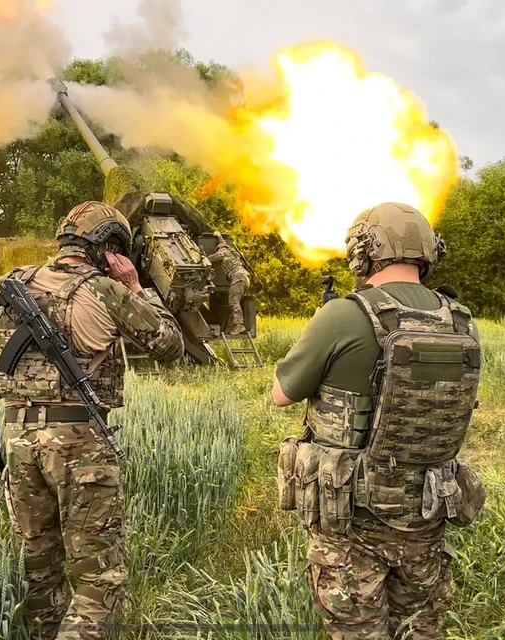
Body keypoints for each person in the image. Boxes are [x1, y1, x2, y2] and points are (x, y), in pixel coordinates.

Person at [271, 203, 486, 639]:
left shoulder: (342, 315)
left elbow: (281, 394)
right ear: (427, 253)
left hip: (352, 515)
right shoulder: (461, 321)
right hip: (428, 508)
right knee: (420, 627)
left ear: (364, 251)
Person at [0, 201, 184, 640]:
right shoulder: (108, 291)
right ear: (108, 247)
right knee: (100, 579)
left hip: (18, 441)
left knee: (40, 567)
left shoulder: (17, 280)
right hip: (78, 443)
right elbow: (169, 344)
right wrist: (136, 285)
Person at [208, 231, 251, 335]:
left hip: (238, 277)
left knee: (233, 301)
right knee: (234, 301)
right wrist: (219, 236)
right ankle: (232, 325)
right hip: (244, 277)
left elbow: (210, 259)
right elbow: (223, 243)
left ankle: (239, 325)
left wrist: (199, 258)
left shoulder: (223, 253)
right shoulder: (232, 253)